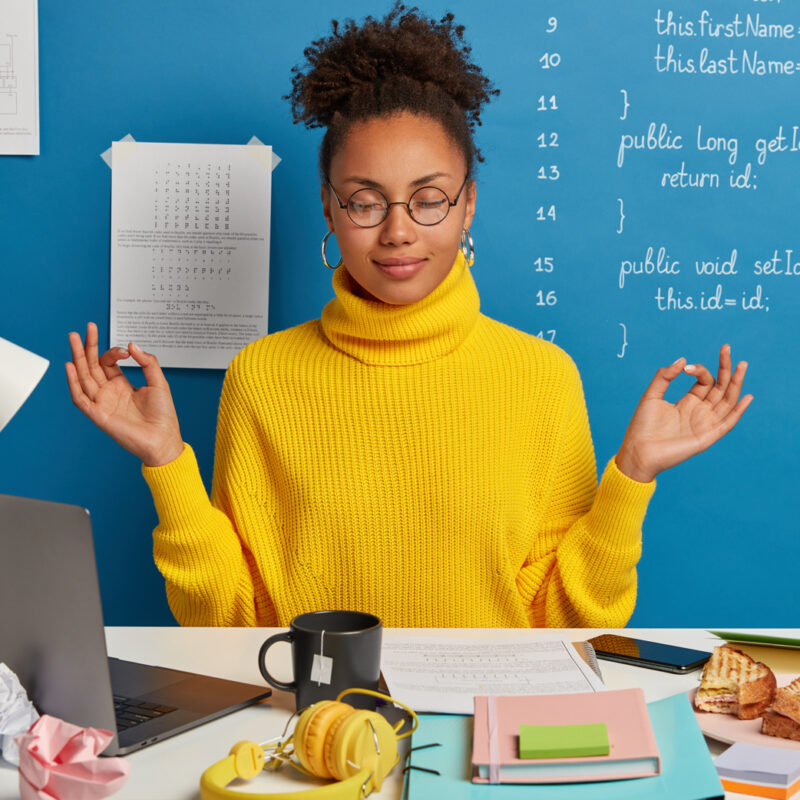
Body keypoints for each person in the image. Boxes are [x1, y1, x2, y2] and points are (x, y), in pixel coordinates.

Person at [65, 5, 751, 628]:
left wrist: (630, 478)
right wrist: (167, 462)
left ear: (469, 204)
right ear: (330, 208)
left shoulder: (543, 379)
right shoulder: (263, 376)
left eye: (429, 199)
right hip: (312, 730)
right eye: (366, 201)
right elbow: (230, 618)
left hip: (484, 731)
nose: (398, 231)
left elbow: (564, 623)